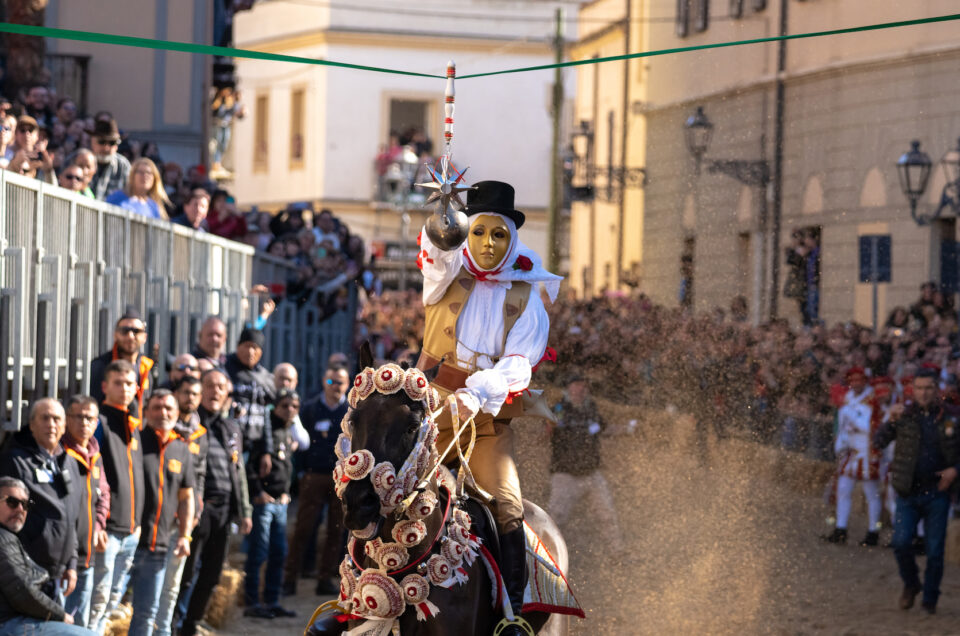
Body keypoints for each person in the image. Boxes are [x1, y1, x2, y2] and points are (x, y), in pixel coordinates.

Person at [415, 180, 562, 635]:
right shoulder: (444, 273)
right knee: (381, 484)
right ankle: (352, 598)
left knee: (507, 505)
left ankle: (513, 615)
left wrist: (479, 391)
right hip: (427, 414)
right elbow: (436, 254)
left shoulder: (526, 299)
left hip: (486, 421)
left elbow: (519, 363)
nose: (487, 244)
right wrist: (443, 221)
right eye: (478, 232)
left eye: (498, 235)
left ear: (512, 238)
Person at [874, 368, 960, 614]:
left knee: (934, 551)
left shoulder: (951, 416)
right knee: (900, 543)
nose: (923, 393)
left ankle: (930, 599)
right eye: (919, 388)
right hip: (907, 491)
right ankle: (911, 584)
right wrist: (889, 420)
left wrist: (955, 469)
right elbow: (878, 442)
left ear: (937, 390)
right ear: (912, 389)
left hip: (938, 492)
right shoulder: (902, 415)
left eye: (929, 388)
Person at [175, 369, 251, 636]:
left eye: (221, 386)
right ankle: (175, 623)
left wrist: (245, 510)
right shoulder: (191, 425)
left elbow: (239, 471)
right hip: (198, 509)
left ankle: (192, 624)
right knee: (187, 574)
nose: (215, 391)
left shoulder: (231, 427)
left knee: (212, 574)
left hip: (224, 511)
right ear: (200, 391)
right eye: (210, 386)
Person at [0, 399, 82, 603]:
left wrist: (71, 564)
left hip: (58, 574)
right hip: (26, 571)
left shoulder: (69, 462)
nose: (51, 424)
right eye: (45, 418)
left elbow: (70, 516)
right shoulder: (16, 461)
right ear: (32, 424)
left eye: (56, 419)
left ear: (65, 426)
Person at [129, 390, 195, 636]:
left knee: (147, 614)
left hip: (159, 545)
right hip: (128, 539)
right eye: (156, 408)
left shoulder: (181, 448)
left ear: (177, 414)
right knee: (107, 604)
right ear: (146, 412)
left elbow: (187, 496)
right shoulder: (133, 441)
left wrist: (184, 535)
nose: (162, 413)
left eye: (168, 409)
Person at [89, 360, 146, 633]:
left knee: (111, 601)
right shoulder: (98, 423)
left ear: (136, 388)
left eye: (129, 384)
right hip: (108, 530)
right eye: (117, 383)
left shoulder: (134, 424)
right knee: (96, 601)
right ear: (104, 386)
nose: (124, 389)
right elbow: (90, 474)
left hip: (131, 530)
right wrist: (97, 522)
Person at [284, 366, 348, 596]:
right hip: (314, 476)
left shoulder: (351, 411)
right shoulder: (310, 408)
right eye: (332, 382)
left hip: (341, 479)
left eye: (340, 382)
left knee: (336, 530)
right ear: (323, 382)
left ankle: (325, 579)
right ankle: (289, 578)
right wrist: (301, 473)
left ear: (347, 384)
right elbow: (299, 443)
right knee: (304, 528)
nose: (336, 387)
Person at [0, 476, 90, 633]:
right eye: (12, 502)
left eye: (25, 504)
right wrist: (60, 615)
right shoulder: (3, 538)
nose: (20, 509)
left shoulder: (9, 537)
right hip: (9, 623)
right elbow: (22, 591)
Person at [154, 377, 207, 636]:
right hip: (156, 520)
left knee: (172, 586)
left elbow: (199, 477)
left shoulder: (200, 434)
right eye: (185, 392)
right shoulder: (159, 433)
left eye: (195, 393)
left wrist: (195, 512)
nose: (190, 397)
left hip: (183, 520)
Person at [547, 375, 622, 550]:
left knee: (607, 513)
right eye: (577, 385)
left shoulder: (592, 409)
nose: (580, 389)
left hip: (590, 472)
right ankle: (546, 552)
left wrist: (628, 428)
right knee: (556, 516)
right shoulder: (560, 408)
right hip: (565, 473)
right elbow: (547, 429)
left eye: (583, 386)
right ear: (568, 388)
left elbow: (605, 428)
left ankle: (617, 551)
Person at [244, 389, 299, 619]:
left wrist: (287, 492)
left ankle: (272, 601)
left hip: (281, 503)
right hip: (264, 503)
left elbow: (286, 470)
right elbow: (249, 467)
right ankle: (252, 602)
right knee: (259, 553)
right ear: (275, 408)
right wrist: (258, 492)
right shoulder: (265, 434)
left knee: (279, 553)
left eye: (294, 406)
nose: (289, 410)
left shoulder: (288, 432)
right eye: (285, 405)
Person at [62, 396, 110, 628]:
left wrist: (99, 524)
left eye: (90, 418)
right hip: (61, 559)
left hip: (87, 555)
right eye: (77, 416)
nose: (84, 422)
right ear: (67, 419)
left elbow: (104, 494)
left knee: (80, 623)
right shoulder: (60, 454)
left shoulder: (95, 455)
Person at [822, 366, 883, 546]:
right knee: (843, 490)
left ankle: (873, 532)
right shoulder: (848, 399)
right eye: (853, 380)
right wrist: (839, 445)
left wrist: (853, 419)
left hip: (867, 451)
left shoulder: (873, 400)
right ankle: (840, 529)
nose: (856, 383)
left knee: (871, 493)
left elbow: (872, 426)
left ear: (865, 381)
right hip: (850, 451)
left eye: (859, 380)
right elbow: (842, 426)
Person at [89, 306, 154, 418]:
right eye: (124, 331)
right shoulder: (100, 366)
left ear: (144, 337)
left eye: (136, 331)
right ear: (115, 335)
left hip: (135, 432)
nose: (130, 336)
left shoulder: (146, 367)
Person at [225, 328, 276, 465]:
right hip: (229, 441)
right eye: (246, 346)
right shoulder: (225, 368)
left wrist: (267, 450)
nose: (250, 351)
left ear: (261, 352)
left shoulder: (265, 377)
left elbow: (266, 413)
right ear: (238, 346)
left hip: (255, 445)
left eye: (255, 347)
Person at [105, 157, 171, 220]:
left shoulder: (154, 206)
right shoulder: (117, 197)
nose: (145, 176)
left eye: (149, 173)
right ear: (132, 175)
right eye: (141, 172)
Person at [87, 118, 131, 200]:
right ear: (92, 141)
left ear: (117, 145)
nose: (106, 148)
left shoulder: (123, 165)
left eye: (112, 143)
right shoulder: (79, 159)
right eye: (102, 142)